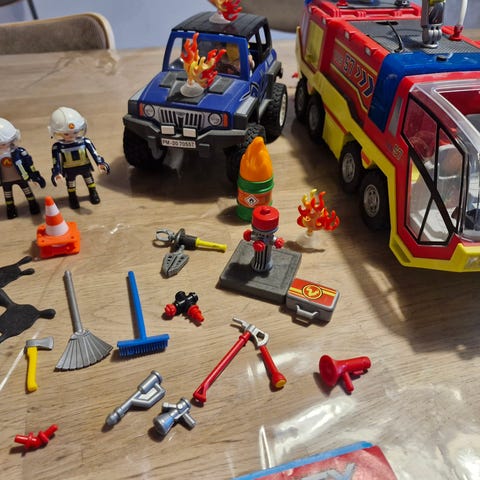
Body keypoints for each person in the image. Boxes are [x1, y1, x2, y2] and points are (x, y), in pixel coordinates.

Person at [49, 107, 110, 209]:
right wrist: (57, 172)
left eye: (75, 132)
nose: (71, 135)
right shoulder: (57, 146)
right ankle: (72, 197)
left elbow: (95, 153)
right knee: (71, 185)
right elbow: (56, 161)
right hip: (69, 169)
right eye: (66, 133)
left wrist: (100, 163)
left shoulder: (85, 141)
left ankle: (93, 192)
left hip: (84, 166)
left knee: (89, 181)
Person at [0, 118, 45, 219]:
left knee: (28, 193)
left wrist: (34, 177)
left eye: (3, 144)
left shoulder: (19, 152)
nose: (2, 147)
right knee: (8, 197)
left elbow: (29, 165)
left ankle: (33, 206)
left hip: (22, 177)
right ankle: (10, 210)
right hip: (5, 181)